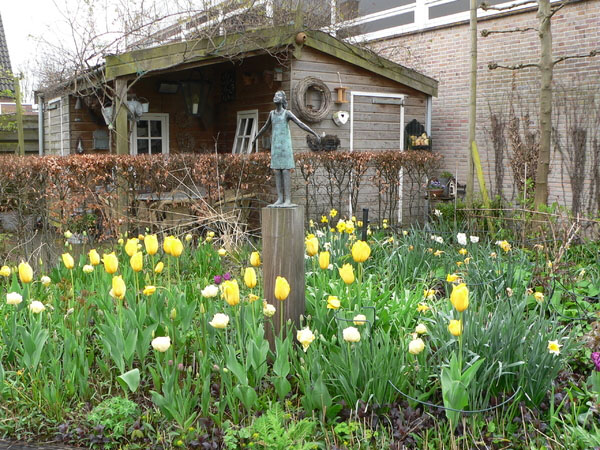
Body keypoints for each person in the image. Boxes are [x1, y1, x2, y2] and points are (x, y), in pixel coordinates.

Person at [253, 90, 320, 207]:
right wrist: (256, 138)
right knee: (277, 171)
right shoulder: (272, 114)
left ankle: (288, 199)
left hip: (285, 146)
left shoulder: (287, 113)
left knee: (285, 170)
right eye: (274, 95)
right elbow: (265, 127)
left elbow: (300, 123)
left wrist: (314, 133)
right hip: (276, 146)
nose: (275, 97)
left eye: (278, 96)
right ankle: (280, 198)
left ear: (283, 100)